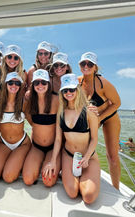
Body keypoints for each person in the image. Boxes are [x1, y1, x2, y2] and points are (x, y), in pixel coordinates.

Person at [43, 73, 100, 204]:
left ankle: (86, 175)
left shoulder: (89, 111)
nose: (68, 92)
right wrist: (52, 161)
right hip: (68, 156)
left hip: (88, 157)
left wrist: (86, 157)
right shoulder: (61, 112)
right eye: (65, 90)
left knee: (88, 197)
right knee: (72, 193)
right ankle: (70, 174)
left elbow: (94, 139)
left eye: (72, 89)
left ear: (77, 89)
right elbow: (58, 140)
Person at [78, 52, 121, 190]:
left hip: (109, 117)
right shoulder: (78, 82)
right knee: (82, 147)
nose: (86, 66)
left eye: (90, 64)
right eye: (83, 63)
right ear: (79, 65)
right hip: (92, 118)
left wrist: (100, 118)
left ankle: (116, 188)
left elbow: (116, 103)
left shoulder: (104, 84)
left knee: (112, 156)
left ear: (95, 67)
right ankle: (83, 176)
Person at [0, 72, 31, 183]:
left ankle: (18, 159)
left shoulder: (24, 102)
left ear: (20, 86)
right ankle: (12, 159)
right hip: (4, 143)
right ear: (6, 84)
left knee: (8, 177)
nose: (14, 85)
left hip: (22, 143)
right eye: (11, 82)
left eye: (17, 83)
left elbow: (33, 123)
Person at [22, 69, 60, 187]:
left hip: (53, 148)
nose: (40, 85)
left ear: (48, 84)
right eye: (36, 83)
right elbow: (25, 113)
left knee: (48, 182)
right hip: (36, 147)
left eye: (43, 82)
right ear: (33, 85)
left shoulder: (56, 100)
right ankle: (41, 162)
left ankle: (51, 162)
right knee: (28, 180)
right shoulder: (30, 100)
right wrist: (34, 125)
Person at [0, 44, 28, 155]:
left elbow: (24, 90)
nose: (12, 60)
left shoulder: (23, 73)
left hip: (15, 105)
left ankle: (18, 150)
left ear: (19, 60)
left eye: (16, 57)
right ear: (5, 58)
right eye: (9, 57)